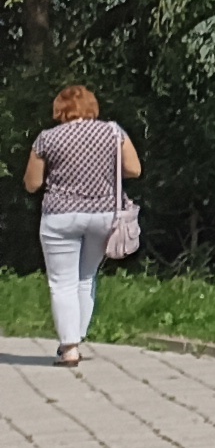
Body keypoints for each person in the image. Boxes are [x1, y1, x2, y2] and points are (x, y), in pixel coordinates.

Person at [25, 82, 136, 364]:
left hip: (60, 216)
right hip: (103, 215)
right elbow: (134, 169)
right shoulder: (113, 132)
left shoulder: (46, 139)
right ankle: (78, 336)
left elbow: (32, 184)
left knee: (62, 282)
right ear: (92, 107)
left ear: (59, 110)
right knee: (86, 277)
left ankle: (69, 347)